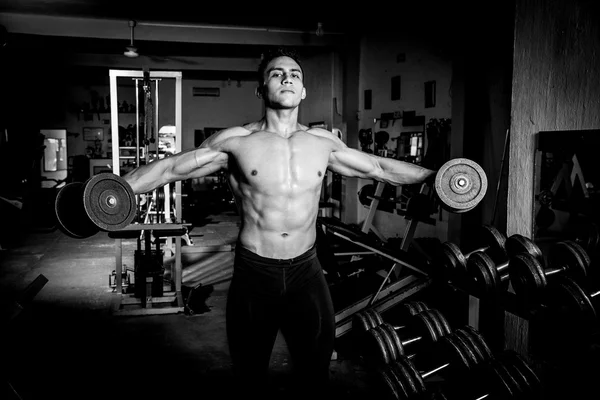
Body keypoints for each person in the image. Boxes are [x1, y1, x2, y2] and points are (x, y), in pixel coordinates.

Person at [122, 47, 436, 398]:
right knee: (250, 377)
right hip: (255, 274)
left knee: (315, 375)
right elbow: (169, 168)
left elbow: (379, 167)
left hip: (306, 271)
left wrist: (434, 178)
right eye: (276, 73)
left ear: (303, 91)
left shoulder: (323, 143)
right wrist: (112, 191)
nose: (287, 77)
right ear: (261, 89)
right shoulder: (235, 142)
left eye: (295, 75)